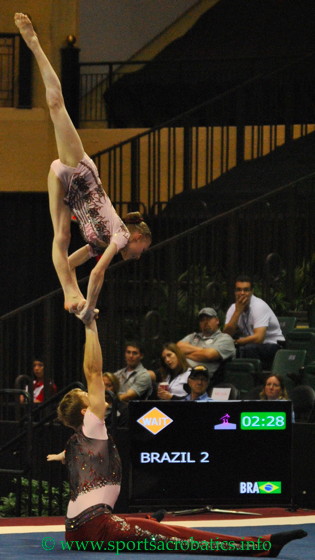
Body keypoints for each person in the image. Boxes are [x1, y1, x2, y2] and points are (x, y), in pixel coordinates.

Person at [47, 319, 306, 555]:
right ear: (85, 411)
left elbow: (71, 453)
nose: (98, 399)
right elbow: (93, 372)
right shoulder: (92, 427)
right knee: (176, 537)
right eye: (89, 399)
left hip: (77, 532)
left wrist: (62, 455)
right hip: (95, 529)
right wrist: (90, 324)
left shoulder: (78, 441)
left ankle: (149, 520)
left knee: (142, 525)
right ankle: (261, 546)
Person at [15, 13, 151, 325]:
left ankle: (68, 294)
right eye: (142, 248)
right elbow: (99, 272)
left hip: (63, 186)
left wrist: (78, 301)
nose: (140, 255)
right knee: (56, 107)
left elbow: (71, 262)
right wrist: (89, 307)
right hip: (80, 172)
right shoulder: (117, 235)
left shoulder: (97, 245)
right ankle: (34, 44)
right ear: (136, 236)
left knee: (61, 236)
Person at [224, 276, 284, 370]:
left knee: (248, 348)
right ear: (235, 292)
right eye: (239, 290)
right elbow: (226, 335)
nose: (242, 293)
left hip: (272, 345)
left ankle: (253, 380)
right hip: (249, 345)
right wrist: (237, 312)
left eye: (246, 290)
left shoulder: (259, 306)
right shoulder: (233, 308)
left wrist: (237, 342)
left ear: (252, 292)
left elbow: (259, 338)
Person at [177, 307, 236, 383]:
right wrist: (203, 350)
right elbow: (178, 347)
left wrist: (184, 355)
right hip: (179, 372)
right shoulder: (193, 336)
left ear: (217, 321)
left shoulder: (225, 338)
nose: (205, 322)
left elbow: (209, 354)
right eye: (202, 320)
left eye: (209, 319)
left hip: (199, 378)